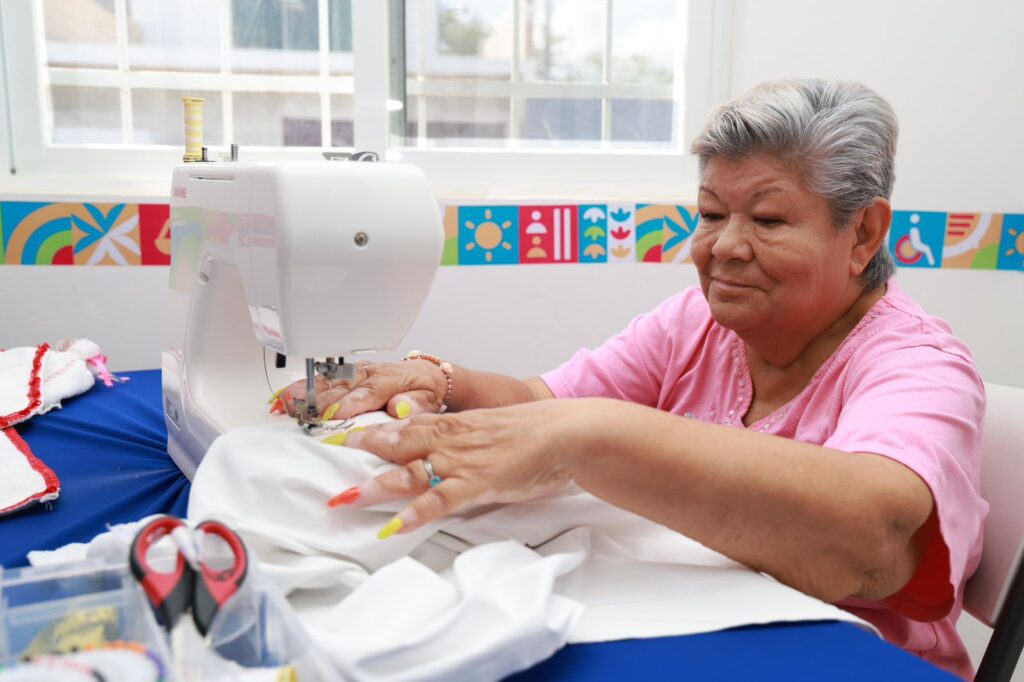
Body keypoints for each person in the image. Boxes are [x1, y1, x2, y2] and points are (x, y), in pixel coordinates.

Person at [275, 79, 986, 679]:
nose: (725, 247)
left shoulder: (917, 365)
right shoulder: (695, 324)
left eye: (767, 219)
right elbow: (539, 404)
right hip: (694, 623)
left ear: (863, 234)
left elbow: (873, 543)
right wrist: (439, 377)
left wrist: (593, 435)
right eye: (711, 214)